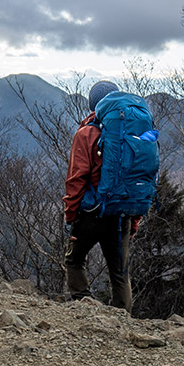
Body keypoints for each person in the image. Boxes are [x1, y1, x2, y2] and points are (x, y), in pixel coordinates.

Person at [63, 80, 141, 312]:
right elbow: (140, 180)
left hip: (91, 213)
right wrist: (134, 220)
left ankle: (86, 309)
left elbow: (76, 179)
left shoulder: (86, 133)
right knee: (120, 274)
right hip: (122, 215)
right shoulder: (132, 133)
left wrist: (70, 216)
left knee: (74, 261)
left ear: (92, 106)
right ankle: (122, 322)